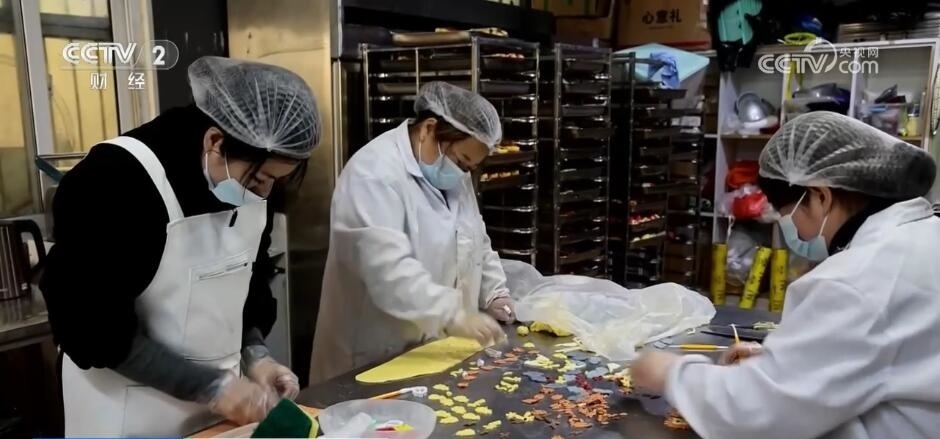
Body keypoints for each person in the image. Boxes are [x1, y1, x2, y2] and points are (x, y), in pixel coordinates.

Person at [41, 56, 321, 436]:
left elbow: (247, 284)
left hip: (214, 417)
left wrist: (256, 355)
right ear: (215, 142)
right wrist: (213, 388)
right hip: (125, 417)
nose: (264, 193)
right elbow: (91, 327)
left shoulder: (248, 179)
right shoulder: (114, 182)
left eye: (275, 181)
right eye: (257, 180)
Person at [630, 111, 940, 439]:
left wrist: (670, 373)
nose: (791, 229)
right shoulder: (921, 235)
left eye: (786, 214)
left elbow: (758, 413)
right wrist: (792, 361)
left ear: (821, 196)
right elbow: (879, 353)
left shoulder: (856, 279)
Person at [309, 82, 514, 385]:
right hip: (369, 360)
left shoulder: (454, 174)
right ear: (429, 129)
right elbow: (387, 270)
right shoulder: (373, 174)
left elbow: (474, 238)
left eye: (470, 167)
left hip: (434, 353)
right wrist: (453, 315)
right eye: (461, 161)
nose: (463, 173)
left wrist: (495, 292)